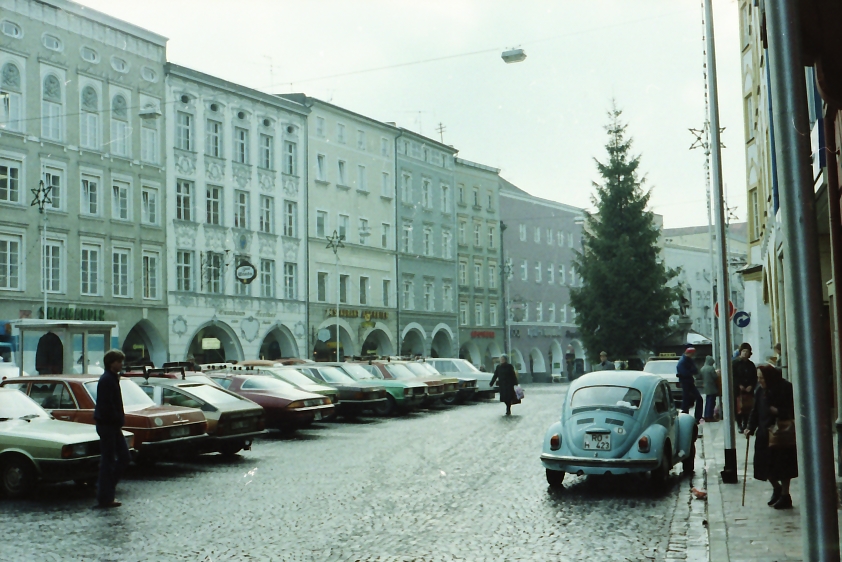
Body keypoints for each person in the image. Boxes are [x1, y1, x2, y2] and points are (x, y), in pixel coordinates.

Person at [744, 364, 798, 509]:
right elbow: (755, 411)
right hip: (764, 433)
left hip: (781, 434)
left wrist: (778, 411)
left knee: (783, 466)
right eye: (758, 378)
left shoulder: (785, 387)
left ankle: (786, 495)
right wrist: (750, 427)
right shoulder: (760, 390)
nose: (760, 381)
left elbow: (794, 408)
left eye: (762, 378)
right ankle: (777, 488)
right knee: (764, 465)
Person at [94, 349, 130, 509]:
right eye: (119, 361)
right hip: (108, 425)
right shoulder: (107, 380)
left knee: (122, 458)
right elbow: (107, 405)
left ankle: (107, 492)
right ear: (111, 363)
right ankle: (105, 494)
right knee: (110, 461)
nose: (121, 364)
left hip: (111, 425)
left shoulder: (111, 378)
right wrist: (117, 418)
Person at [733, 342, 757, 432]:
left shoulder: (751, 365)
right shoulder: (735, 363)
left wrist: (751, 385)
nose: (745, 353)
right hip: (738, 390)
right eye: (743, 351)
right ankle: (739, 424)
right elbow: (733, 376)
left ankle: (746, 423)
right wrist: (739, 385)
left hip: (749, 390)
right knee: (738, 408)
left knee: (748, 407)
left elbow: (754, 377)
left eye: (747, 351)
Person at [677, 346, 702, 421]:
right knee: (686, 400)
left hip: (689, 381)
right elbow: (684, 373)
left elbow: (695, 370)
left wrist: (691, 372)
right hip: (685, 382)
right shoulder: (682, 361)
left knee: (694, 398)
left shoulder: (688, 360)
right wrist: (691, 372)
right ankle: (685, 417)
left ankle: (697, 417)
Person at [700, 355, 719, 421]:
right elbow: (715, 377)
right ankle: (710, 416)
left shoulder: (702, 368)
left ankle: (706, 415)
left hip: (706, 387)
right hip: (712, 387)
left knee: (707, 402)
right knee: (712, 402)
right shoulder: (711, 368)